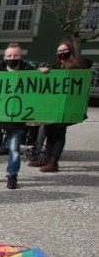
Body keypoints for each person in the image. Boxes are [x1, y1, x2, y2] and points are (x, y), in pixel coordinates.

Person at [0, 43, 34, 189]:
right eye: (9, 56)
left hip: (16, 118)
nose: (12, 58)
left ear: (21, 57)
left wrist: (43, 72)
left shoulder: (29, 71)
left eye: (15, 56)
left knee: (14, 149)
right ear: (4, 57)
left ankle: (12, 175)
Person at [31, 41, 93, 172]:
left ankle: (54, 162)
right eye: (59, 51)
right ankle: (45, 158)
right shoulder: (55, 64)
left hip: (66, 106)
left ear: (70, 50)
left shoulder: (77, 64)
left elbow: (87, 64)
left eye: (64, 50)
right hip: (53, 105)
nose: (61, 53)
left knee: (59, 133)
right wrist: (44, 71)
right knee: (49, 131)